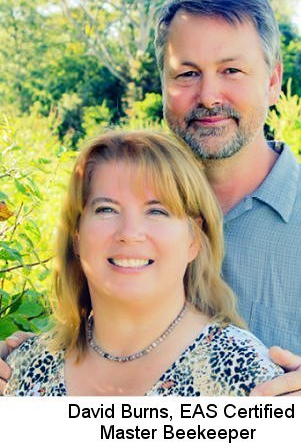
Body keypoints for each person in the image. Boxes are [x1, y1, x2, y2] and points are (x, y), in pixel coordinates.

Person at [1, 0, 301, 395]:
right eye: (187, 73)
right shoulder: (115, 211)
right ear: (162, 84)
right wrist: (27, 370)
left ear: (273, 81)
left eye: (231, 70)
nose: (209, 95)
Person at [2, 130, 282, 396]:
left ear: (194, 240)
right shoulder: (25, 369)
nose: (130, 233)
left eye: (157, 211)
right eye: (106, 209)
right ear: (77, 236)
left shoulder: (247, 379)